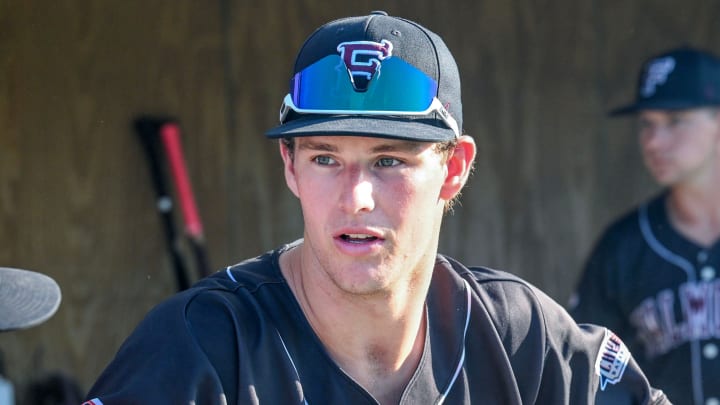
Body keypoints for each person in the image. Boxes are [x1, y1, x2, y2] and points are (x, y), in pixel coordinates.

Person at [85, 11, 668, 404]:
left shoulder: (519, 338)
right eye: (324, 159)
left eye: (389, 161)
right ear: (289, 166)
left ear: (455, 167)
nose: (355, 197)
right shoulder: (203, 345)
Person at [569, 46, 720, 405]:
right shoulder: (623, 247)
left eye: (675, 120)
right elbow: (583, 372)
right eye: (647, 124)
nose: (653, 141)